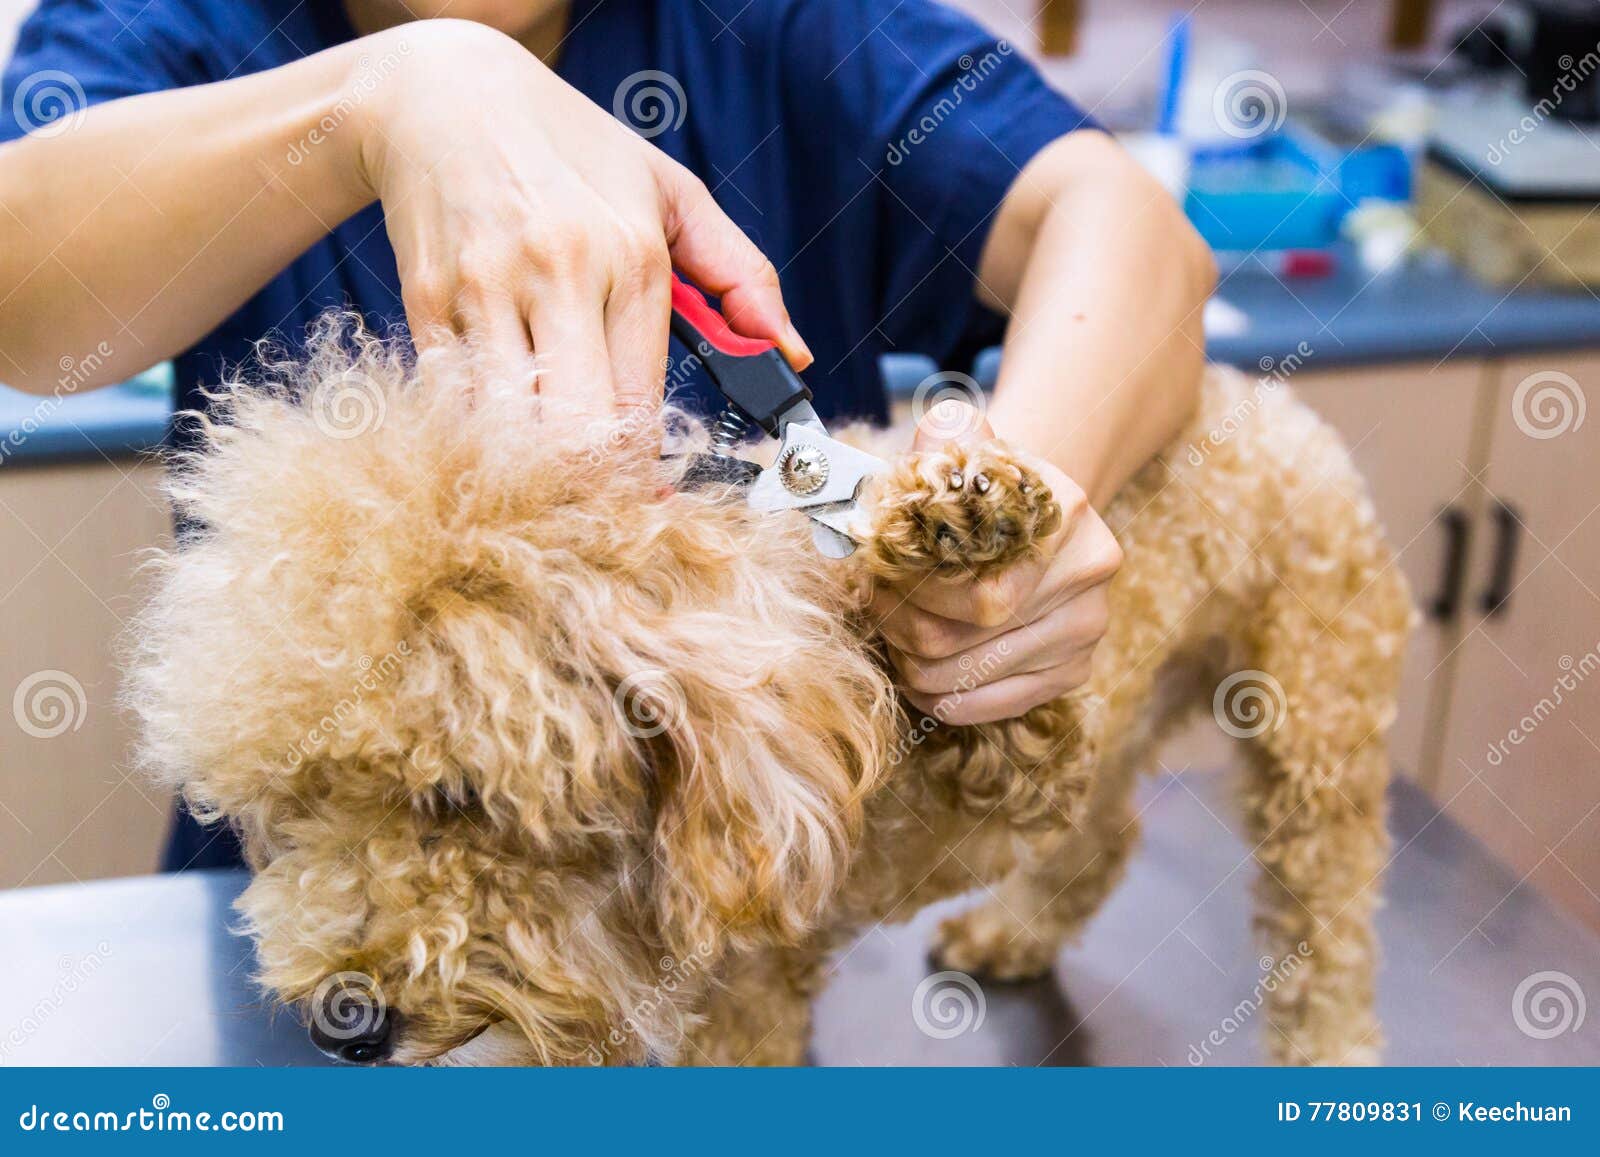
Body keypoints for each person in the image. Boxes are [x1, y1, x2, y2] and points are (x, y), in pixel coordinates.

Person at [0, 0, 1215, 870]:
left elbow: (1129, 230)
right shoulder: (173, 29)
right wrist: (389, 97)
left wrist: (1010, 521)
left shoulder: (785, 31)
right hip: (295, 909)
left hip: (718, 938)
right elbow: (26, 300)